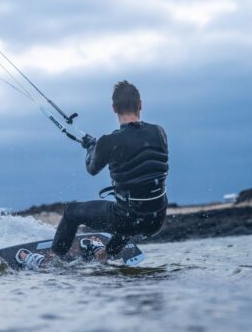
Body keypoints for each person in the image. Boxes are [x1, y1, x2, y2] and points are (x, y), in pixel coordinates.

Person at [51, 80, 169, 260]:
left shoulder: (109, 141)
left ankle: (54, 260)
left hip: (127, 219)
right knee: (133, 205)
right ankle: (105, 254)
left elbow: (92, 169)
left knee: (71, 213)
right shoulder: (159, 132)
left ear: (114, 108)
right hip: (156, 220)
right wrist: (97, 146)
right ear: (140, 104)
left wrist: (92, 147)